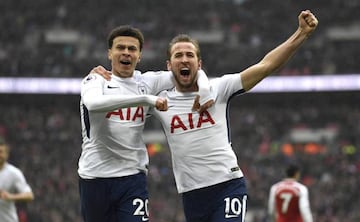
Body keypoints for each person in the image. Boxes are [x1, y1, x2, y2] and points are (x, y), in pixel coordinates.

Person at [96, 10, 318, 221]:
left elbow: (265, 66)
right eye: (178, 55)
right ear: (168, 65)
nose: (184, 59)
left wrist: (301, 33)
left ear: (199, 64)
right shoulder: (159, 101)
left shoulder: (219, 88)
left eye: (190, 55)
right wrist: (99, 76)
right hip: (191, 194)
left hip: (228, 185)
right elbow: (123, 94)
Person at [78, 25, 213, 222]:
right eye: (120, 48)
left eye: (132, 49)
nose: (126, 52)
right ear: (110, 53)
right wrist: (145, 100)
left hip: (132, 178)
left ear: (139, 55)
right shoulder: (95, 80)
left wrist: (205, 88)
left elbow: (190, 70)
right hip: (94, 176)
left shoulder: (147, 82)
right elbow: (93, 104)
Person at [0, 139, 34, 222]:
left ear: (7, 154)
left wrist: (10, 196)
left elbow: (29, 195)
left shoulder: (13, 173)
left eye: (0, 152)